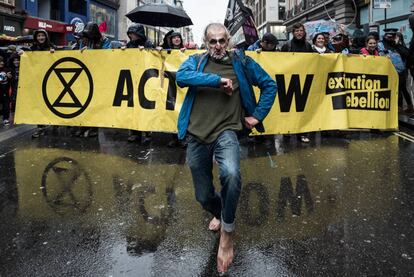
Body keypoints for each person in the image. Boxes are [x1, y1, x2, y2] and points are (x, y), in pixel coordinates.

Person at [176, 23, 277, 274]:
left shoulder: (241, 62)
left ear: (229, 40)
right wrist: (216, 80)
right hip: (197, 135)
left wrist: (257, 117)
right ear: (205, 42)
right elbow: (181, 77)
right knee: (202, 196)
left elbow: (269, 85)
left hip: (227, 132)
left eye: (222, 41)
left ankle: (227, 234)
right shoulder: (196, 61)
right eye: (213, 41)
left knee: (231, 174)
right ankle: (219, 212)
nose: (218, 46)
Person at [75, 22, 112, 138]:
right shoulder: (84, 40)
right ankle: (83, 126)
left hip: (98, 75)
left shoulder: (104, 41)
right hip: (85, 75)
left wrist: (91, 52)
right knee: (84, 101)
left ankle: (94, 128)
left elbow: (108, 56)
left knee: (95, 103)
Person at [122, 23, 154, 144]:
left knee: (145, 106)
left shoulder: (148, 44)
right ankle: (134, 133)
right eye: (130, 34)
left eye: (133, 33)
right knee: (133, 107)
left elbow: (153, 58)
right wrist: (123, 52)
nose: (131, 36)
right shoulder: (129, 45)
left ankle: (147, 133)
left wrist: (146, 51)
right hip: (133, 78)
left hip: (145, 79)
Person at [281, 23, 312, 143]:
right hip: (289, 80)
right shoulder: (287, 46)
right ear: (293, 32)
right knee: (289, 106)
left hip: (304, 80)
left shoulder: (308, 46)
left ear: (304, 32)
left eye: (301, 30)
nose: (299, 33)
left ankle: (302, 133)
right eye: (297, 31)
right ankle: (287, 130)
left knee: (302, 107)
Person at [378, 28, 413, 114]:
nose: (391, 38)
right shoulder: (381, 45)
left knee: (401, 89)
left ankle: (401, 108)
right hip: (389, 71)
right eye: (389, 36)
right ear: (385, 36)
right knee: (396, 90)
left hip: (402, 72)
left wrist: (397, 44)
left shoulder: (397, 45)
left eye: (393, 36)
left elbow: (407, 54)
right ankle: (397, 108)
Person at [30, 29, 56, 138]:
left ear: (46, 37)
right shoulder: (32, 49)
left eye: (42, 35)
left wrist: (54, 53)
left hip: (51, 80)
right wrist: (21, 53)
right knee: (39, 103)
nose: (41, 38)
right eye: (39, 36)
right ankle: (40, 126)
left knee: (51, 101)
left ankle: (54, 122)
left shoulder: (51, 47)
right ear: (36, 37)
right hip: (37, 80)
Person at [0, 56, 12, 126]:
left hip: (5, 90)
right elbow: (2, 78)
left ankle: (6, 119)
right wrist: (4, 76)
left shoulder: (7, 69)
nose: (1, 63)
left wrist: (9, 76)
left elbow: (10, 78)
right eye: (0, 62)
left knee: (6, 105)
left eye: (2, 61)